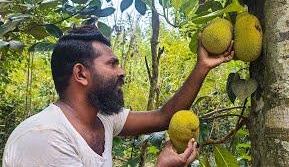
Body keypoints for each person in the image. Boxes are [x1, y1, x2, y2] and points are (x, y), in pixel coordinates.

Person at [2, 25, 234, 167]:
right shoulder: (43, 137)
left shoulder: (103, 119)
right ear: (81, 74)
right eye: (112, 64)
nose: (122, 71)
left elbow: (164, 117)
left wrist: (202, 67)